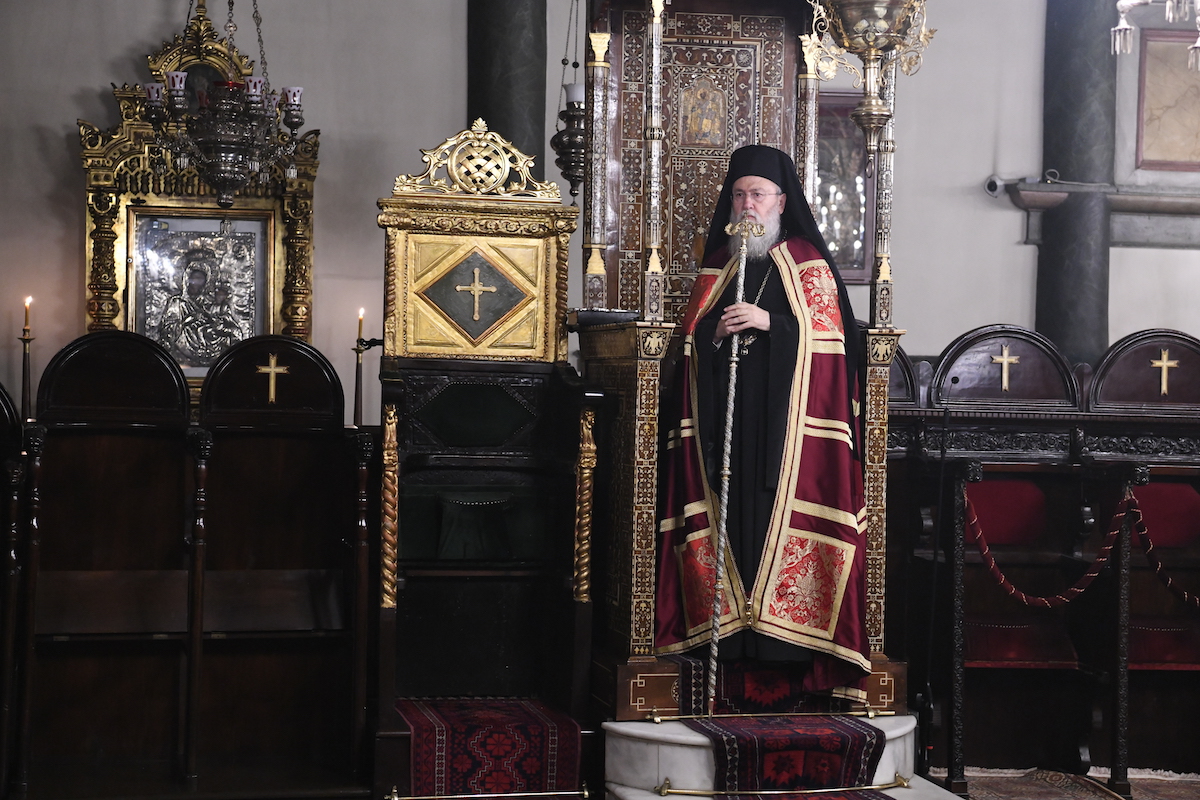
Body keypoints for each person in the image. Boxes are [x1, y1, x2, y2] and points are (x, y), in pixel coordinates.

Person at [654, 144, 870, 700]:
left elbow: (835, 346)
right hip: (725, 430)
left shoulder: (807, 262)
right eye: (739, 194)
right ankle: (727, 643)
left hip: (784, 437)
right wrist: (714, 333)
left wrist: (770, 321)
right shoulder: (720, 266)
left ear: (781, 201)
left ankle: (785, 647)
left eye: (758, 194)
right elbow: (687, 348)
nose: (747, 204)